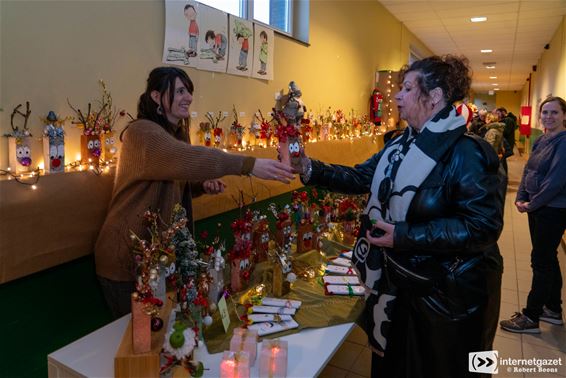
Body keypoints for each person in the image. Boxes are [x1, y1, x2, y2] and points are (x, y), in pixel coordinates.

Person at [298, 55, 505, 377]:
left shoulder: (468, 153)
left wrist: (404, 235)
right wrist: (307, 168)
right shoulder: (400, 146)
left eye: (408, 88)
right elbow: (360, 177)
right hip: (402, 283)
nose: (397, 95)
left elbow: (482, 227)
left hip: (449, 297)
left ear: (434, 96)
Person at [94, 67, 294, 318]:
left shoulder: (173, 134)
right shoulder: (141, 133)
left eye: (188, 91)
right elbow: (184, 158)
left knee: (164, 336)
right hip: (126, 260)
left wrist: (199, 185)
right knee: (141, 343)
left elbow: (171, 177)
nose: (187, 97)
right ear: (156, 97)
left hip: (157, 261)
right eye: (179, 91)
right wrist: (249, 165)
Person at [500, 96, 566, 333]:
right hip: (538, 208)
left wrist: (533, 203)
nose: (548, 117)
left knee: (541, 262)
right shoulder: (542, 139)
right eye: (545, 113)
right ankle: (553, 309)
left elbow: (556, 181)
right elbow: (529, 170)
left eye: (554, 113)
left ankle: (531, 317)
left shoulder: (563, 142)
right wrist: (521, 196)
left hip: (553, 209)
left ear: (564, 116)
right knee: (549, 258)